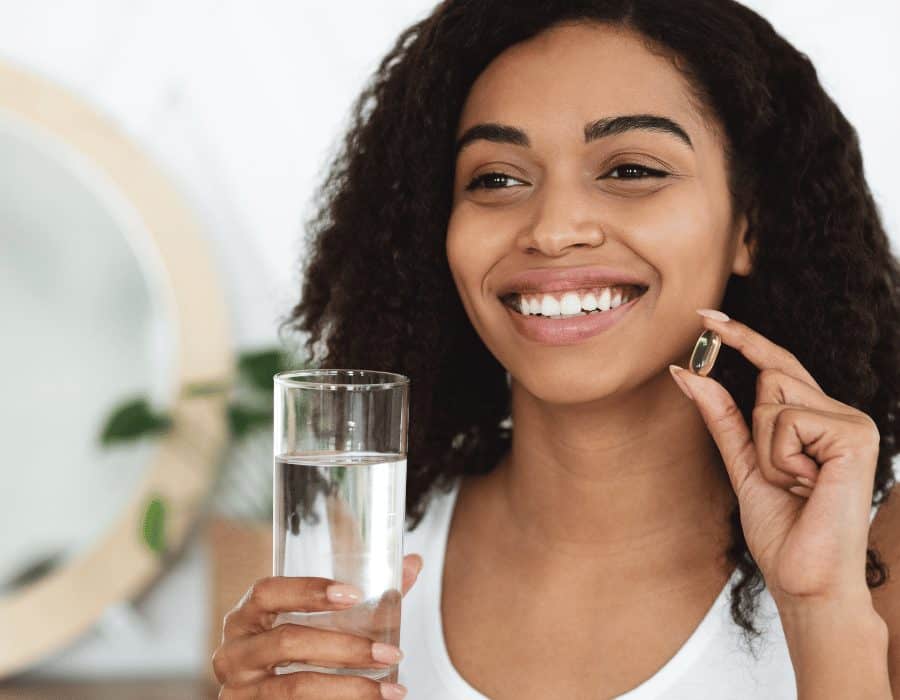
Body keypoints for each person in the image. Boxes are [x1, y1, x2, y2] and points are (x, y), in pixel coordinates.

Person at [212, 1, 900, 698]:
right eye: (496, 178)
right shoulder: (346, 554)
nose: (553, 228)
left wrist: (823, 614)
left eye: (631, 170)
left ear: (751, 226)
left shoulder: (870, 553)